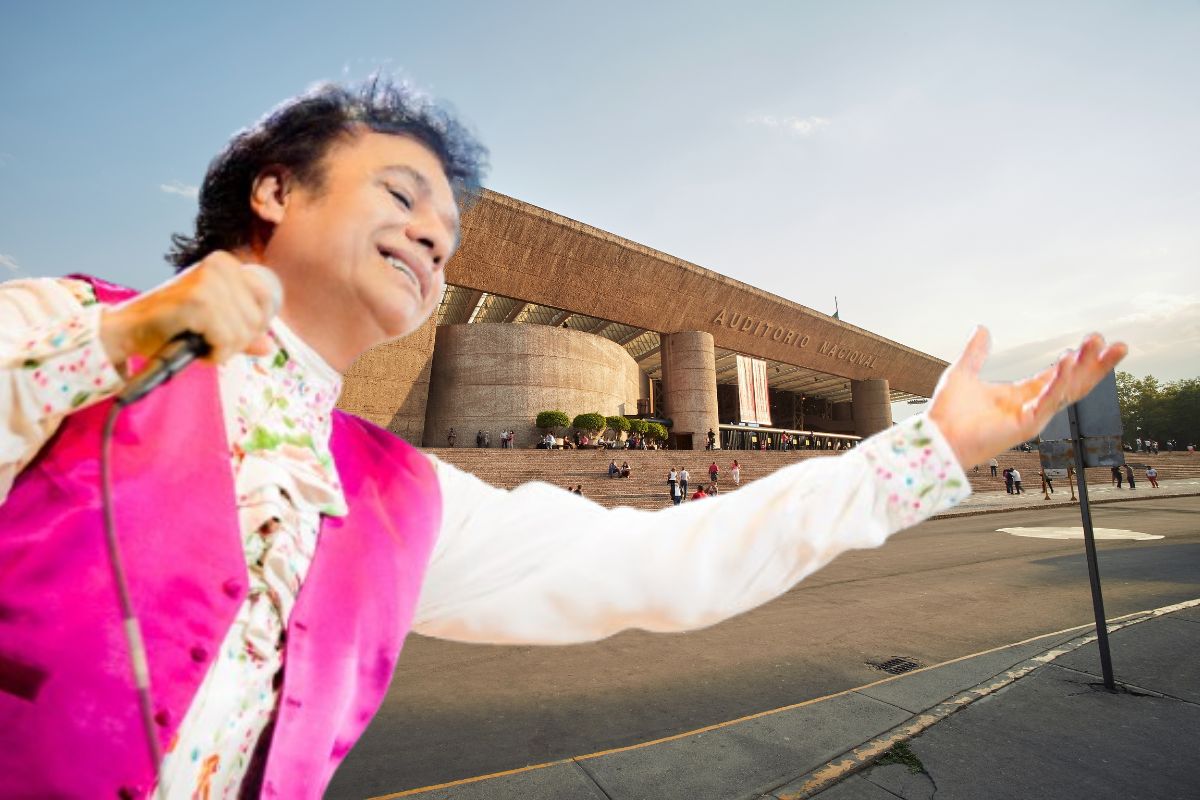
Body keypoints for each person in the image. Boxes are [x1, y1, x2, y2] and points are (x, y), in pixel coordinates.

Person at [0, 76, 1126, 799]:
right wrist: (113, 349)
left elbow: (661, 562)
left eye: (446, 238)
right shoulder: (64, 329)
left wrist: (925, 451)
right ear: (276, 189)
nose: (432, 241)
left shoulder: (400, 496)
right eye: (401, 197)